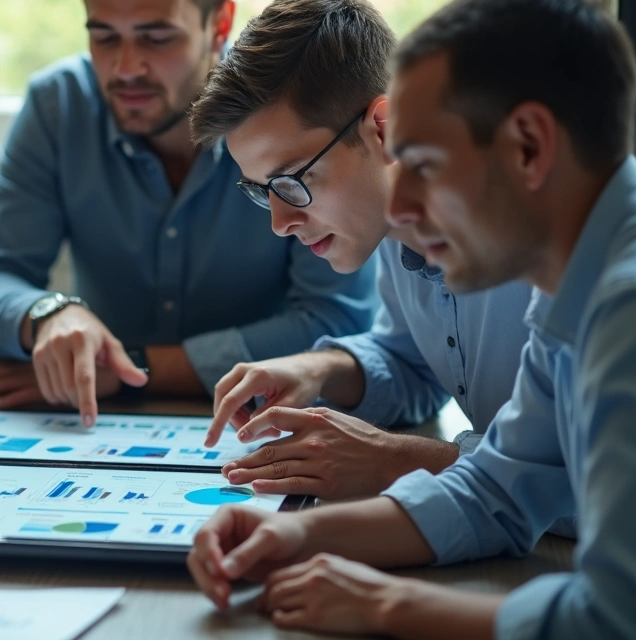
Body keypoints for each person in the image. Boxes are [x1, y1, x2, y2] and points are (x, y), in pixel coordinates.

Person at [187, 1, 636, 637]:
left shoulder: (623, 305)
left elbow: (611, 617)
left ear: (529, 148)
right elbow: (503, 489)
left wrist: (387, 606)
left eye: (422, 163)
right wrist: (292, 532)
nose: (401, 204)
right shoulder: (560, 286)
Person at [0, 0, 379, 428]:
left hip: (260, 422)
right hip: (98, 424)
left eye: (156, 39)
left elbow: (336, 324)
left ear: (220, 23)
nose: (125, 68)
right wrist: (49, 314)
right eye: (104, 37)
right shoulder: (57, 105)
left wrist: (130, 369)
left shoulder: (281, 112)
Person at [182, 0, 533, 501]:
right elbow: (414, 366)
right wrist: (318, 370)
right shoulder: (391, 227)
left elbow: (590, 473)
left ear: (386, 131)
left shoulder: (546, 238)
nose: (280, 224)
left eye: (292, 180)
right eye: (263, 191)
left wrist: (397, 461)